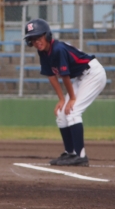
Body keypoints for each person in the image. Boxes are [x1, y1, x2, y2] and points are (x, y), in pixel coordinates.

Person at [24, 18, 107, 166]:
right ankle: (70, 153)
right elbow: (51, 75)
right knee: (62, 113)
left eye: (39, 37)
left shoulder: (58, 49)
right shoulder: (43, 52)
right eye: (33, 39)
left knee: (73, 111)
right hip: (82, 77)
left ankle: (81, 156)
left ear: (47, 35)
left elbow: (65, 76)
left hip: (93, 74)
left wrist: (72, 99)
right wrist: (62, 99)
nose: (36, 42)